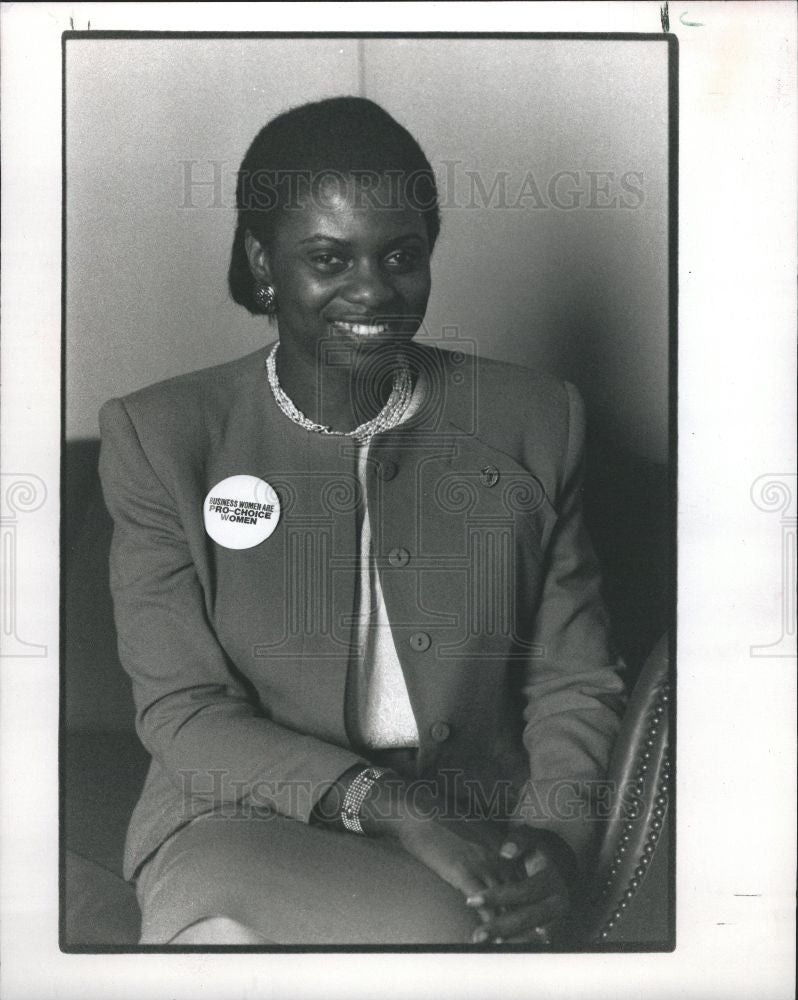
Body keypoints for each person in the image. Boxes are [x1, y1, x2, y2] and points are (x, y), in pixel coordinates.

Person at [98, 96, 627, 946]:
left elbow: (573, 681)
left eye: (401, 256)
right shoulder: (162, 436)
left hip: (477, 833)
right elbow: (183, 710)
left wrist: (556, 845)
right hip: (241, 820)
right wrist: (394, 808)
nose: (374, 289)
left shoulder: (534, 419)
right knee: (226, 942)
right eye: (328, 258)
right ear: (262, 262)